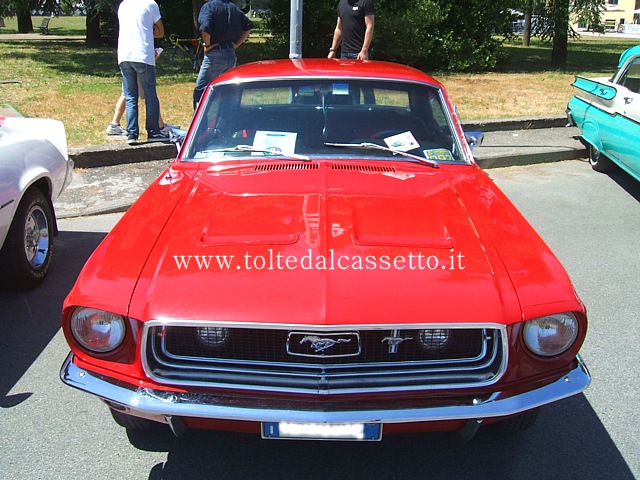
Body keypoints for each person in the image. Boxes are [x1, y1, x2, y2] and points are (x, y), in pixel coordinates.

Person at [117, 0, 168, 145]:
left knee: (130, 96)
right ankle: (153, 131)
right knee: (150, 95)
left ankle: (131, 133)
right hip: (143, 55)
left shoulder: (124, 5)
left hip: (124, 55)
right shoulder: (150, 4)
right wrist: (149, 30)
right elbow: (161, 32)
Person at [193, 0, 254, 110]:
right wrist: (236, 45)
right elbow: (248, 26)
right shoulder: (233, 8)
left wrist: (207, 45)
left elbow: (205, 28)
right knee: (228, 91)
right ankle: (226, 122)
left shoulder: (208, 7)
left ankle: (202, 124)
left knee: (201, 91)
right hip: (230, 54)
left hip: (215, 54)